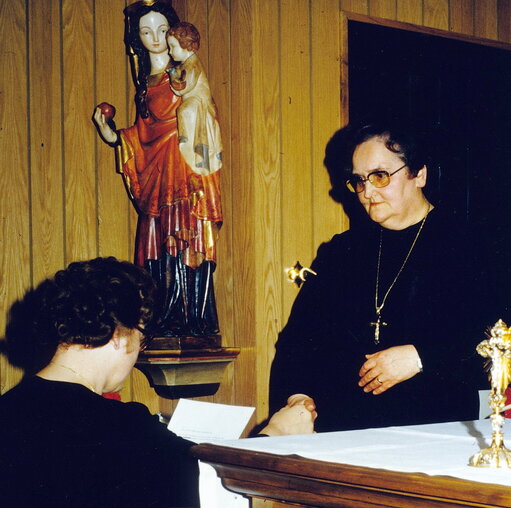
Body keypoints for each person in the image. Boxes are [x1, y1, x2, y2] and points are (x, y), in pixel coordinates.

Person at [0, 257, 316, 508]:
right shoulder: (121, 426)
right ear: (121, 335)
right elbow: (217, 485)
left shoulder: (8, 406)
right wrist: (276, 434)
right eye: (142, 337)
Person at [269, 119, 486, 433]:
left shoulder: (470, 246)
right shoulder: (341, 252)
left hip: (432, 428)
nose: (367, 192)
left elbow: (496, 339)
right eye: (359, 180)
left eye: (380, 176)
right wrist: (298, 397)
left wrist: (421, 358)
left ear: (419, 174)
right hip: (339, 429)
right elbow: (298, 340)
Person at [93, 1, 222, 337]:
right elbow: (142, 133)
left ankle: (191, 319)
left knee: (185, 239)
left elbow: (204, 116)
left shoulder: (185, 74)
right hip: (157, 174)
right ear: (136, 37)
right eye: (145, 31)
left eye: (163, 30)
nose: (155, 38)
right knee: (158, 241)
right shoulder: (146, 83)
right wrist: (112, 134)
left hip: (185, 171)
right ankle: (164, 316)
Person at [166, 22, 223, 176]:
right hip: (193, 101)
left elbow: (183, 87)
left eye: (173, 46)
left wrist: (172, 74)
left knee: (185, 110)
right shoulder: (187, 63)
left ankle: (186, 142)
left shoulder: (193, 64)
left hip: (199, 102)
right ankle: (186, 142)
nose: (170, 52)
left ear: (186, 45)